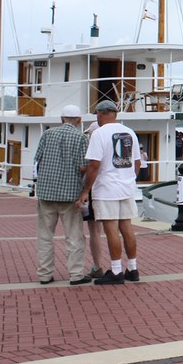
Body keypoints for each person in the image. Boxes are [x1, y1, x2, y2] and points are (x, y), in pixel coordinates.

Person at [77, 100, 142, 285]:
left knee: (111, 228)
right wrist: (130, 179)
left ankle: (115, 271)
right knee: (127, 228)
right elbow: (137, 162)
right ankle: (133, 268)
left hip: (107, 189)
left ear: (101, 113)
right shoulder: (130, 132)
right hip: (126, 187)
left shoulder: (99, 134)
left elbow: (94, 165)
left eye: (97, 113)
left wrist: (85, 190)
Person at [34, 104, 91, 285]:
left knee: (45, 236)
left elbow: (38, 159)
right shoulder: (81, 138)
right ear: (79, 120)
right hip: (70, 194)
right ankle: (75, 275)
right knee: (74, 236)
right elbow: (83, 166)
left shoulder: (48, 134)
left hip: (46, 192)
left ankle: (44, 274)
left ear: (61, 119)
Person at [82, 122, 105, 279]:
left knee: (94, 231)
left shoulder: (93, 149)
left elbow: (93, 168)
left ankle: (98, 266)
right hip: (111, 190)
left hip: (94, 191)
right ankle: (119, 265)